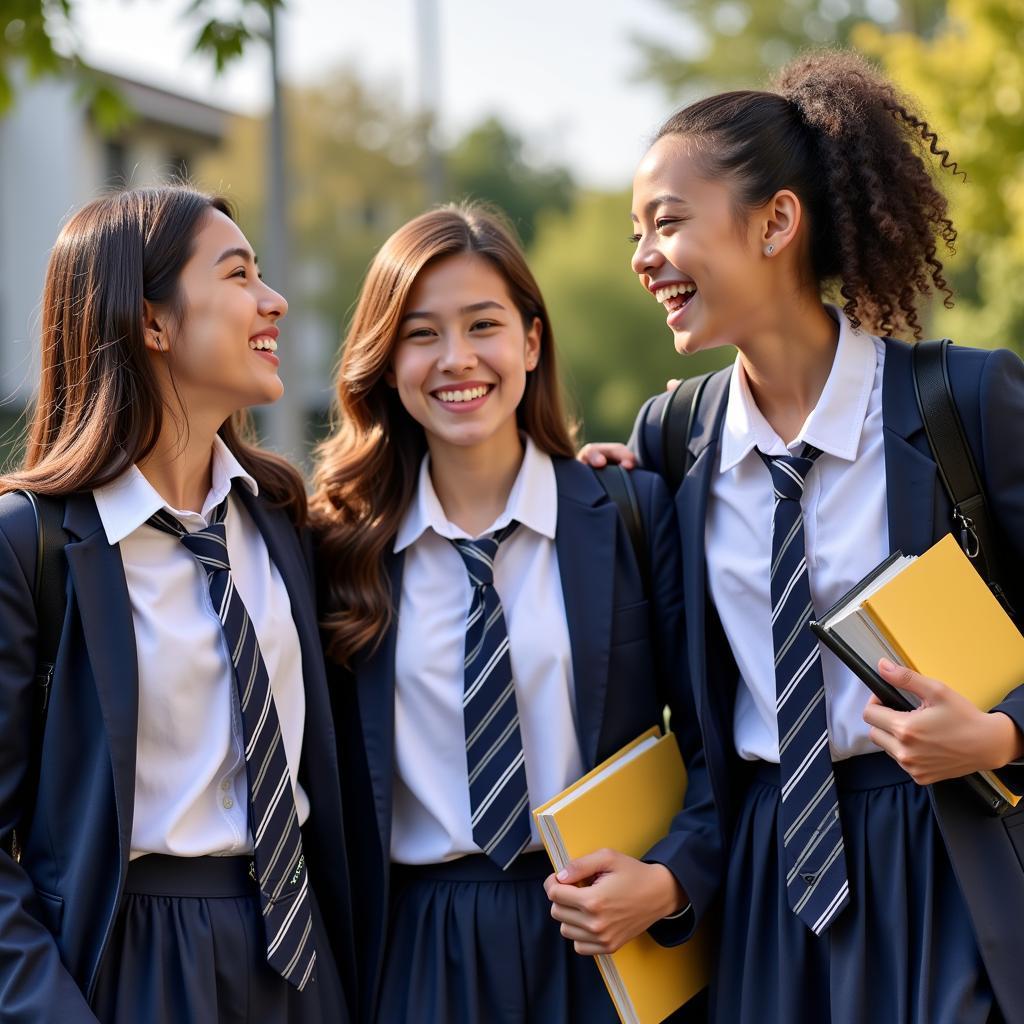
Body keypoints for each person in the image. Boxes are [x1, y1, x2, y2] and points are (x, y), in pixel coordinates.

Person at [564, 50, 1024, 1024]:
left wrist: (999, 731)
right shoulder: (674, 440)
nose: (641, 256)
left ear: (775, 222)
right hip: (771, 880)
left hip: (949, 851)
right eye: (636, 231)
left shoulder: (964, 402)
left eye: (667, 222)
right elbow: (691, 722)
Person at [310, 203, 710, 1024]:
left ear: (531, 342)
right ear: (387, 364)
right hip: (418, 945)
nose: (456, 359)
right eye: (421, 335)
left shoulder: (631, 511)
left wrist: (670, 879)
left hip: (605, 937)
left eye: (482, 325)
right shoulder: (336, 552)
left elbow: (715, 740)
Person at [0, 185, 355, 1024]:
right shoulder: (30, 543)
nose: (274, 301)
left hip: (300, 957)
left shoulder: (280, 518)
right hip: (134, 966)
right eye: (239, 275)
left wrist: (588, 469)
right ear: (152, 321)